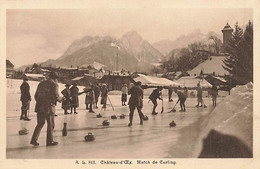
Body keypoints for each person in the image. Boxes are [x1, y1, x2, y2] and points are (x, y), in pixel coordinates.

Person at [30, 72, 63, 146]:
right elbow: (56, 96)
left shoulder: (41, 83)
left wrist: (40, 103)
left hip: (39, 107)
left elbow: (36, 95)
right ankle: (49, 141)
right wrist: (61, 99)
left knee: (40, 124)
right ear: (55, 78)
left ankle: (34, 140)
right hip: (49, 108)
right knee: (51, 124)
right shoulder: (54, 85)